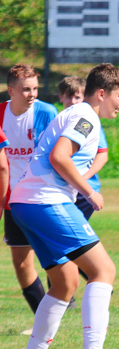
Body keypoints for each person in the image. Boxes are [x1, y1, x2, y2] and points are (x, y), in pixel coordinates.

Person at [11, 63, 119, 349]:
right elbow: (60, 156)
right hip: (45, 201)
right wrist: (89, 190)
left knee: (65, 282)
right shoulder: (85, 117)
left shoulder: (79, 113)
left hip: (25, 202)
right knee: (103, 270)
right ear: (103, 93)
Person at [1, 65, 58, 317]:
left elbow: (55, 157)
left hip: (40, 197)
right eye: (25, 89)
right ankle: (43, 316)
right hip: (11, 200)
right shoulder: (0, 114)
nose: (32, 94)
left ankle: (74, 296)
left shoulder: (46, 112)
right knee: (22, 264)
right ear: (10, 90)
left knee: (54, 256)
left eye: (35, 88)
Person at [58, 76, 109, 221]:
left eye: (77, 97)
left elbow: (102, 155)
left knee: (69, 234)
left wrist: (81, 179)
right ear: (61, 97)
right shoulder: (61, 119)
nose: (73, 102)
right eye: (69, 97)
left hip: (83, 188)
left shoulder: (87, 121)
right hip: (64, 185)